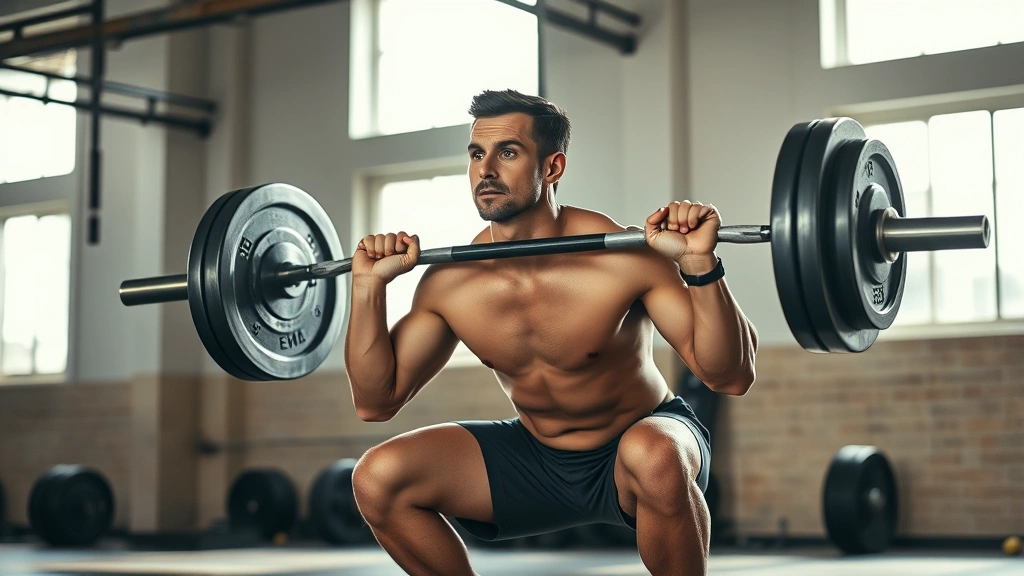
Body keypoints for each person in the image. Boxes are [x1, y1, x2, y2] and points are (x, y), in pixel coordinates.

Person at [344, 89, 758, 576]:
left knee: (653, 452)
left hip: (642, 449)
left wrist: (699, 265)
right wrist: (368, 289)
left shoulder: (622, 257)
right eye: (477, 154)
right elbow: (376, 401)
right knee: (378, 478)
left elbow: (730, 376)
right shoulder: (451, 284)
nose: (486, 170)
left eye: (509, 152)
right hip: (535, 459)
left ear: (553, 167)